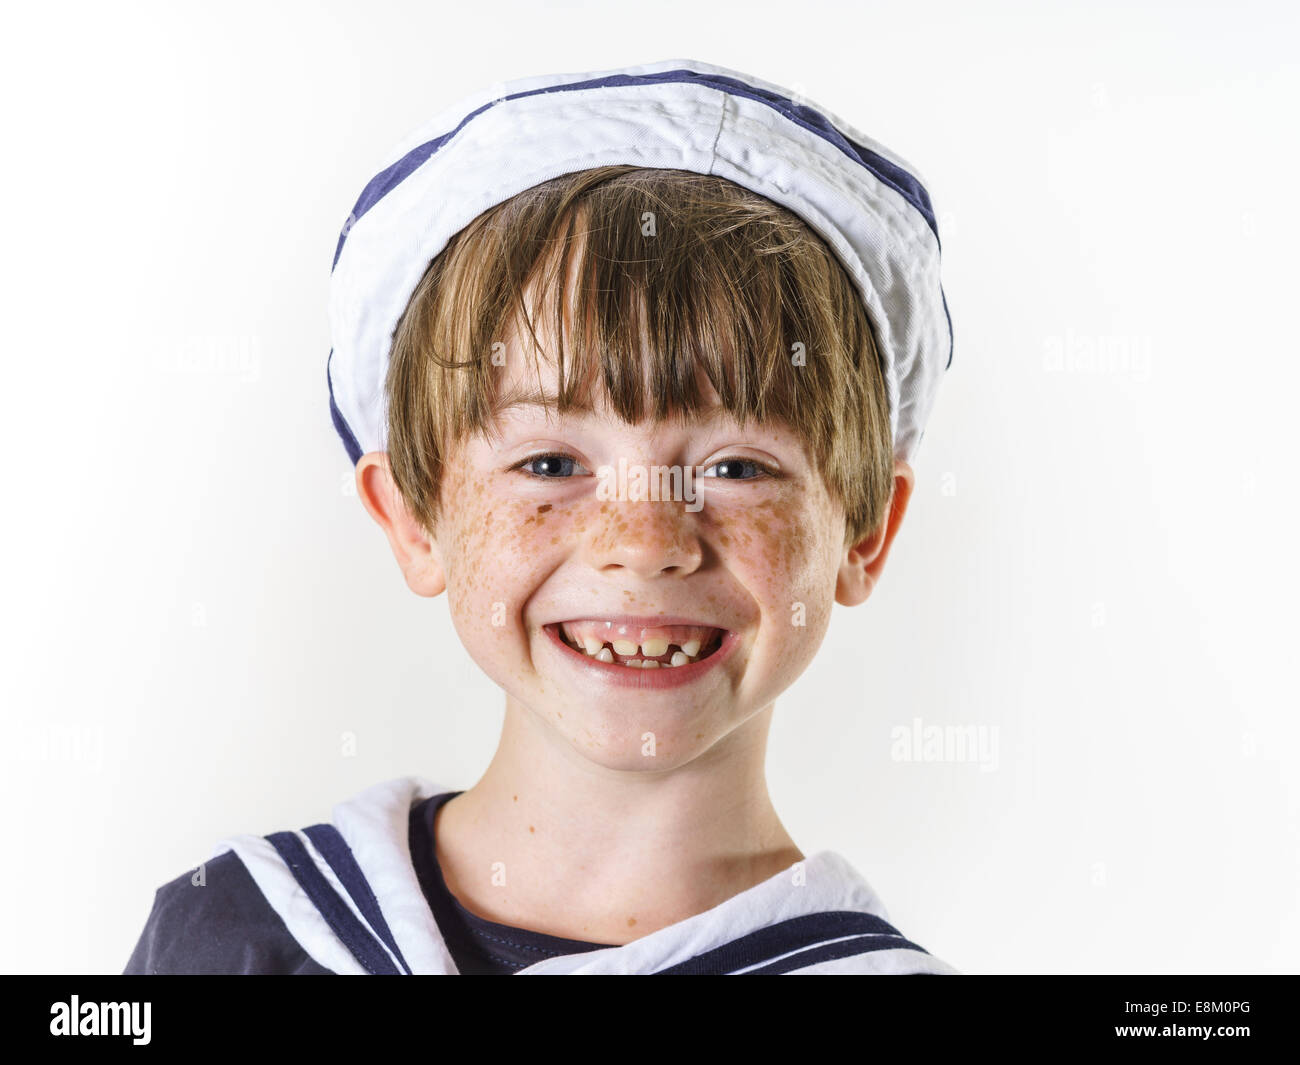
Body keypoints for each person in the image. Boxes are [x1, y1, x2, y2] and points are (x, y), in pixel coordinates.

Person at [124, 58, 958, 975]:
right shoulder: (230, 935)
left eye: (734, 467)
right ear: (409, 515)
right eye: (551, 462)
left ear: (867, 529)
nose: (643, 546)